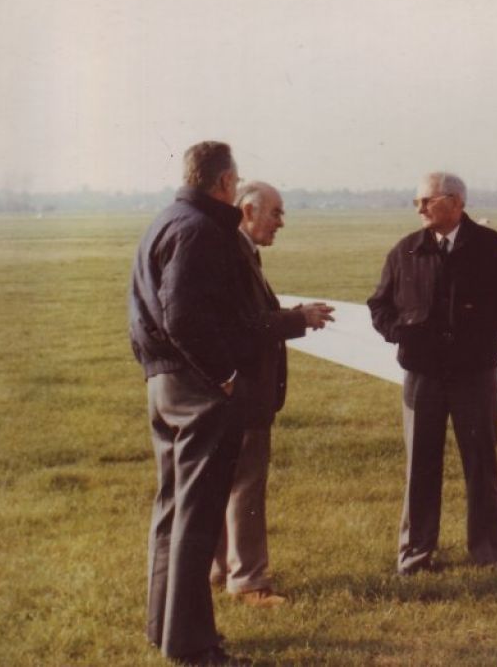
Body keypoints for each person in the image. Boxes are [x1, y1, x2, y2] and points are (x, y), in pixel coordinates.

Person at [367, 172, 497, 575]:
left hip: (475, 374)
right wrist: (401, 335)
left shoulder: (493, 248)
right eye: (416, 202)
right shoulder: (406, 251)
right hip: (422, 376)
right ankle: (416, 555)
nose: (420, 208)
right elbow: (379, 305)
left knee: (481, 463)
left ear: (456, 202)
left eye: (428, 200)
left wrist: (487, 331)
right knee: (420, 466)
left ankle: (491, 552)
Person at [128, 141, 251, 665]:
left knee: (172, 511)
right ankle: (193, 646)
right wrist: (222, 374)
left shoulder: (165, 220)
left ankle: (164, 630)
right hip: (196, 387)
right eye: (236, 180)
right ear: (224, 182)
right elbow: (181, 317)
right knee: (196, 520)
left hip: (163, 383)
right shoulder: (200, 230)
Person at [210, 181, 334, 607]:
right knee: (245, 485)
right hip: (241, 392)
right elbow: (246, 326)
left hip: (228, 391)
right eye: (276, 213)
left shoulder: (234, 250)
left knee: (223, 481)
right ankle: (248, 582)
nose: (282, 222)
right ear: (248, 210)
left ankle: (220, 567)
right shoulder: (233, 252)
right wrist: (298, 319)